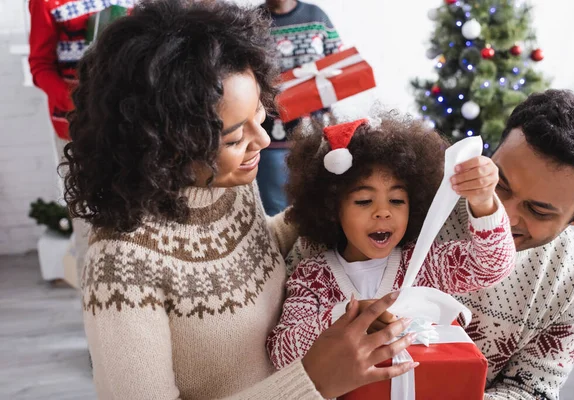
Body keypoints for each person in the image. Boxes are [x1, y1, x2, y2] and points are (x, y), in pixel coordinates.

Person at [63, 1, 417, 399]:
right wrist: (310, 382)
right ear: (163, 146)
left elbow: (247, 253)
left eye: (260, 115)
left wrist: (334, 201)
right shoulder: (121, 266)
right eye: (234, 137)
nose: (263, 141)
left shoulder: (227, 184)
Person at [267, 115, 516, 369]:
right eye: (364, 201)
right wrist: (347, 316)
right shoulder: (313, 277)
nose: (383, 212)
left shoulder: (423, 264)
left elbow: (492, 265)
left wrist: (484, 202)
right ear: (332, 209)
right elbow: (281, 353)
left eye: (397, 201)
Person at [439, 89, 574, 399]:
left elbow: (530, 390)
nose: (504, 216)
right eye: (500, 185)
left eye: (537, 210)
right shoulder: (418, 201)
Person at [28, 0, 136, 282]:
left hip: (132, 125)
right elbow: (40, 65)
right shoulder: (47, 2)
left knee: (139, 219)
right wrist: (78, 103)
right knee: (86, 227)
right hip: (76, 128)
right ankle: (93, 312)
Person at [257, 0, 343, 216]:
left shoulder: (317, 17)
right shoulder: (251, 21)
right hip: (269, 139)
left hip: (316, 137)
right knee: (276, 214)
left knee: (318, 211)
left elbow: (340, 68)